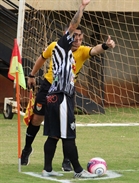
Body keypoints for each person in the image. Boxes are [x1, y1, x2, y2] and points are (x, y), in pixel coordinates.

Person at [21, 2, 115, 173]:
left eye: (80, 37)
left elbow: (94, 50)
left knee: (55, 133)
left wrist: (106, 45)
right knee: (64, 132)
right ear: (68, 36)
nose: (78, 40)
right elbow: (73, 25)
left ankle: (52, 167)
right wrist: (82, 7)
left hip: (57, 93)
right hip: (57, 91)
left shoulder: (78, 50)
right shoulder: (61, 45)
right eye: (75, 36)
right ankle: (78, 170)